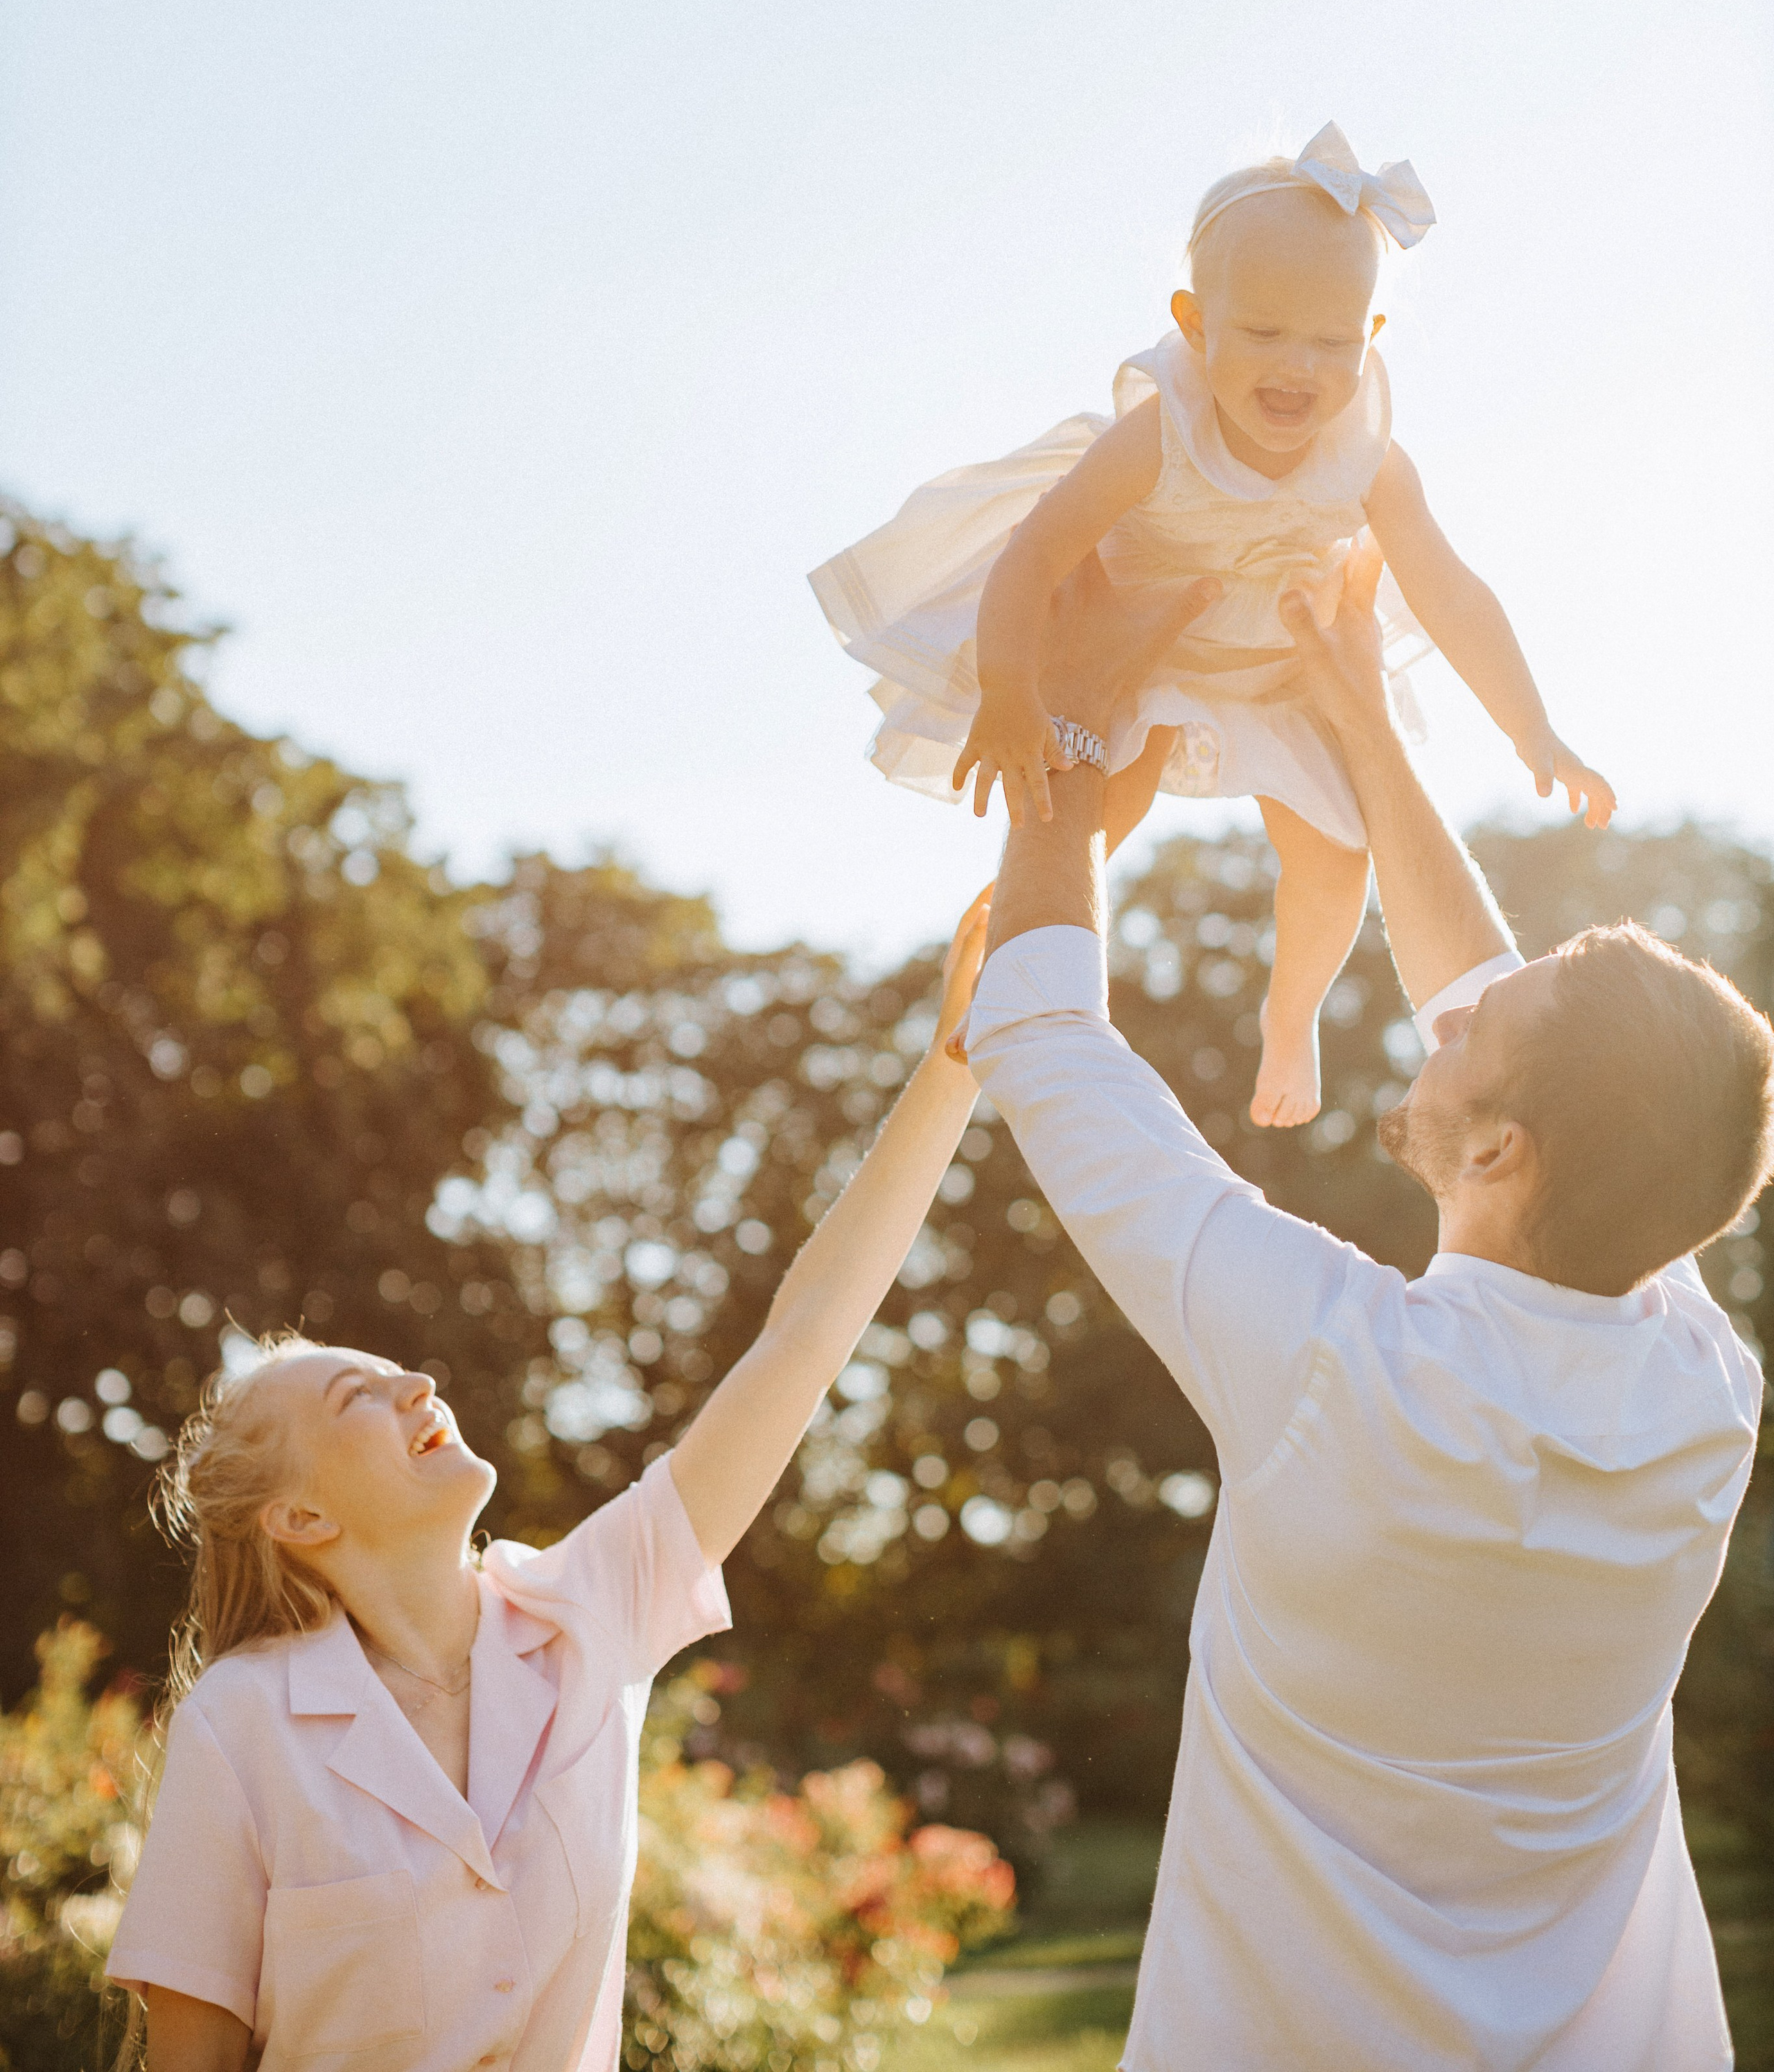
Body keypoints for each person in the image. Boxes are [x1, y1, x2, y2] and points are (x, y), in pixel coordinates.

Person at [956, 547, 1769, 2072]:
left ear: (1496, 1151)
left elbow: (1044, 1032)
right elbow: (1507, 1012)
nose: (1453, 1008)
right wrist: (1361, 722)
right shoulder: (1697, 1391)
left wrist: (1060, 729)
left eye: (1481, 1032)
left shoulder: (1333, 1370)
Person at [105, 893, 992, 2072]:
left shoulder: (589, 1615)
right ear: (301, 1517)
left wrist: (951, 1073)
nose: (416, 1381)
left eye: (396, 1369)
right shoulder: (243, 1727)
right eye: (356, 1396)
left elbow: (803, 1344)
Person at [811, 121, 1613, 1129]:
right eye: (1265, 333)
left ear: (1370, 339)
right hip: (1145, 651)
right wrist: (1014, 692)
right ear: (1197, 324)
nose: (1298, 368)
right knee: (1082, 817)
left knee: (1337, 853)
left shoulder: (1370, 457)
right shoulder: (1158, 437)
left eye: (1331, 341)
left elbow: (1452, 593)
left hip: (1285, 669)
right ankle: (1012, 972)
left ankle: (1291, 1015)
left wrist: (1531, 728)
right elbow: (1034, 556)